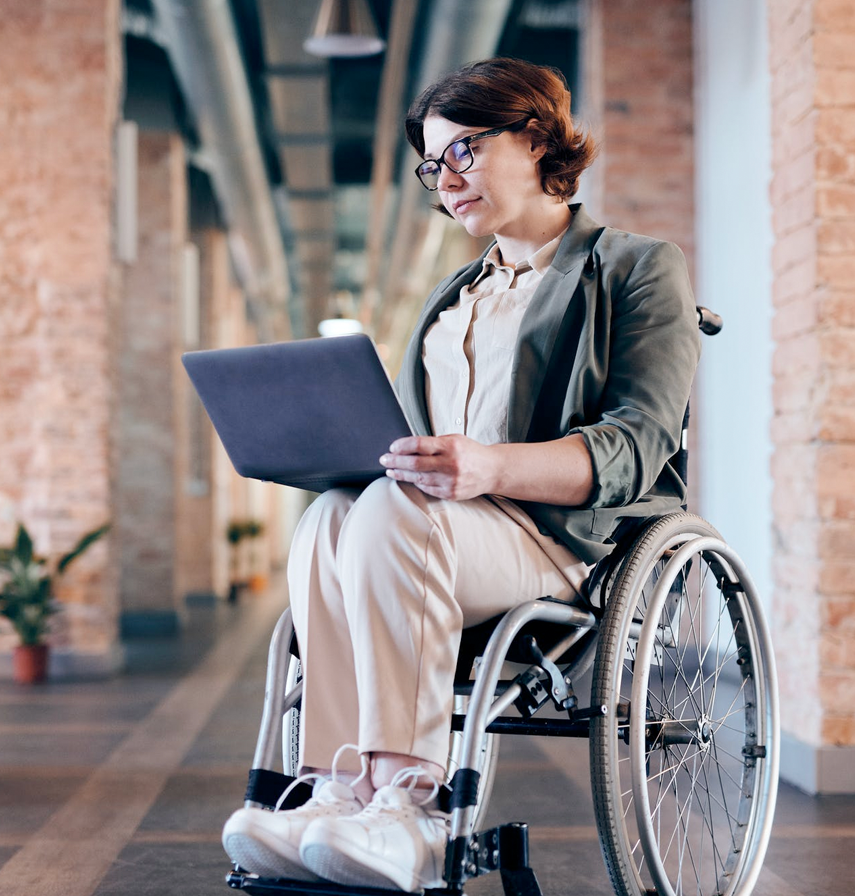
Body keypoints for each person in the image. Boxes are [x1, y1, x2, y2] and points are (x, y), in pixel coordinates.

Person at [222, 56, 700, 892]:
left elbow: (638, 440)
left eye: (464, 152)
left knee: (392, 514)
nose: (445, 180)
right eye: (431, 165)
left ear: (534, 135)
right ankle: (340, 789)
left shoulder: (632, 269)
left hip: (553, 541)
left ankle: (411, 805)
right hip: (440, 534)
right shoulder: (453, 298)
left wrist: (485, 467)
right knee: (335, 513)